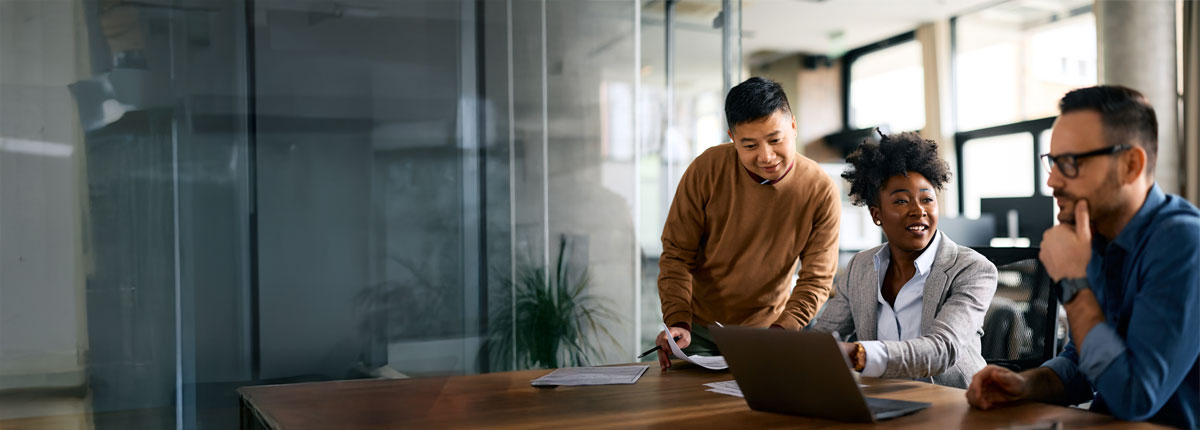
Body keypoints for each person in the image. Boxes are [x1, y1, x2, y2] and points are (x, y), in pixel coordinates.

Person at [966, 85, 1200, 428]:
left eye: (1070, 162)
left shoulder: (1184, 243)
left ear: (1131, 165)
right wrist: (1028, 384)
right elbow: (1084, 361)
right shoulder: (1096, 237)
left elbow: (1134, 396)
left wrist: (1074, 282)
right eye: (1052, 162)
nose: (1052, 181)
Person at [654, 77, 841, 370]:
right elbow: (677, 254)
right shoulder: (707, 169)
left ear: (793, 125)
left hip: (772, 331)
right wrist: (677, 319)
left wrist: (782, 330)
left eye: (775, 139)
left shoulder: (820, 189)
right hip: (698, 331)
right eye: (749, 145)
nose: (766, 156)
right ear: (732, 137)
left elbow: (816, 278)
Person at [807, 131, 998, 388]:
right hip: (882, 397)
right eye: (901, 200)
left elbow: (942, 349)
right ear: (877, 214)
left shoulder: (973, 269)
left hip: (954, 402)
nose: (918, 210)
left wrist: (857, 354)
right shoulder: (860, 267)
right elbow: (823, 337)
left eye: (927, 199)